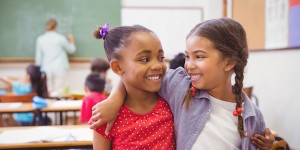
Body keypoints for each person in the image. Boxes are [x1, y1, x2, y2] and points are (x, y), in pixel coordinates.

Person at [89, 18, 275, 150]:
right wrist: (114, 100)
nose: (189, 65)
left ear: (228, 63)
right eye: (188, 56)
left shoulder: (251, 115)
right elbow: (133, 78)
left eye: (199, 56)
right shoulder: (179, 86)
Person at [89, 24, 175, 149]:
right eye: (145, 59)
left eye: (160, 58)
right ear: (117, 67)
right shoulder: (105, 116)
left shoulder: (172, 103)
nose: (157, 65)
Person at [35, 19, 76, 97]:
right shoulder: (60, 38)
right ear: (56, 27)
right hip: (59, 67)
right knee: (59, 92)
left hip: (46, 68)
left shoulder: (40, 39)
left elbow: (38, 58)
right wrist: (71, 41)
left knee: (48, 91)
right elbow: (71, 50)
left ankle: (48, 108)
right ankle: (58, 107)